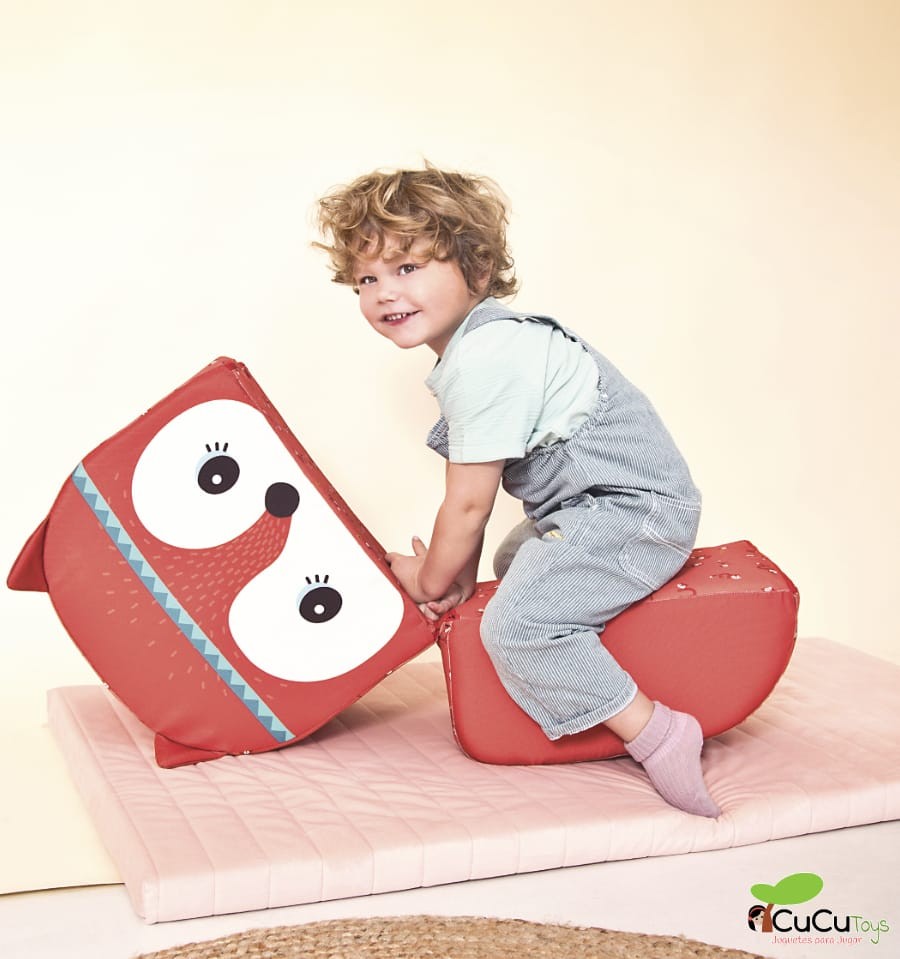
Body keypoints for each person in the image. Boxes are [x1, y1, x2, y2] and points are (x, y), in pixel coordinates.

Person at [315, 164, 719, 818]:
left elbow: (469, 504)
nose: (385, 292)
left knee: (520, 623)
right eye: (367, 278)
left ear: (476, 269)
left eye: (408, 267)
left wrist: (428, 576)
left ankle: (657, 732)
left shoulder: (487, 358)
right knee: (515, 562)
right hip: (589, 507)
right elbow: (477, 495)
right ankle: (585, 655)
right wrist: (456, 579)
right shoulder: (481, 346)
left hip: (633, 510)